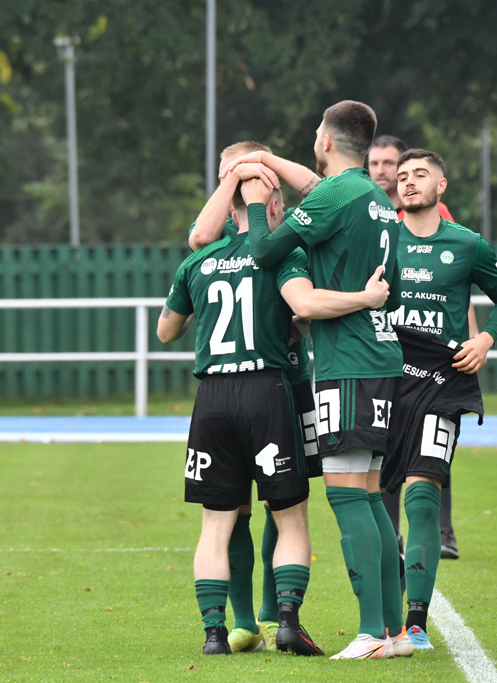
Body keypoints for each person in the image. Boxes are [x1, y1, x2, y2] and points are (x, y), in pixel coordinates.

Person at [159, 165, 391, 655]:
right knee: (290, 515)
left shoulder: (196, 261)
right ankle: (285, 620)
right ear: (270, 206)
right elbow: (304, 307)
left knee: (216, 524)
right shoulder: (282, 255)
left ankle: (214, 633)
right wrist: (365, 298)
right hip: (267, 389)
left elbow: (166, 331)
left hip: (211, 398)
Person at [221, 101, 411, 660]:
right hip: (381, 357)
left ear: (326, 140)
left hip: (346, 362)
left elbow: (263, 250)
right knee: (371, 496)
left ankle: (372, 634)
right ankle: (395, 631)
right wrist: (267, 161)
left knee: (348, 498)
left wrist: (259, 204)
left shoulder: (334, 196)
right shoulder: (375, 197)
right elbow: (317, 188)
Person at [188, 141, 324, 653]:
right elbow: (198, 237)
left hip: (290, 379)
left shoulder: (288, 232)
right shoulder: (220, 229)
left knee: (280, 500)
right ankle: (246, 620)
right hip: (260, 382)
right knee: (242, 506)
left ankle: (269, 611)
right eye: (230, 173)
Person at [383, 149, 497, 648]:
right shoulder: (381, 239)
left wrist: (484, 340)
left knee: (422, 496)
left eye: (420, 174)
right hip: (384, 379)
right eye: (402, 176)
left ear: (441, 185)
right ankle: (386, 601)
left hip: (443, 383)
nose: (408, 182)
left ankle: (417, 620)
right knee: (377, 501)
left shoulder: (467, 244)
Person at [370, 134, 468, 561]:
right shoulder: (373, 220)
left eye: (389, 163)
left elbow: (455, 282)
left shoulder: (433, 215)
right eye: (376, 163)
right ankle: (390, 536)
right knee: (387, 451)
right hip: (388, 359)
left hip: (435, 361)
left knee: (432, 448)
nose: (383, 171)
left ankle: (442, 531)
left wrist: (474, 338)